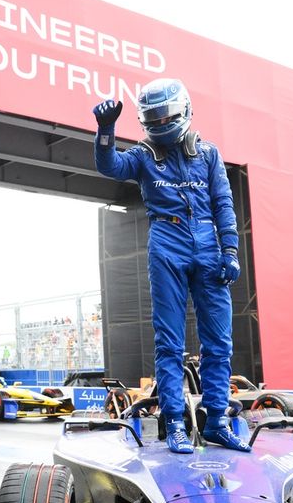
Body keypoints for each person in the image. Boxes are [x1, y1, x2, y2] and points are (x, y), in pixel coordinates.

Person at [92, 78, 248, 454]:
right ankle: (175, 423)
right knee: (170, 342)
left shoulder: (208, 154)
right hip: (166, 243)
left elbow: (224, 204)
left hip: (208, 245)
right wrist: (105, 131)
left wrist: (230, 250)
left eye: (167, 115)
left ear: (185, 109)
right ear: (145, 120)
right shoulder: (143, 156)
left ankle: (217, 422)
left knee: (219, 344)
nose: (161, 123)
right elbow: (110, 166)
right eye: (154, 118)